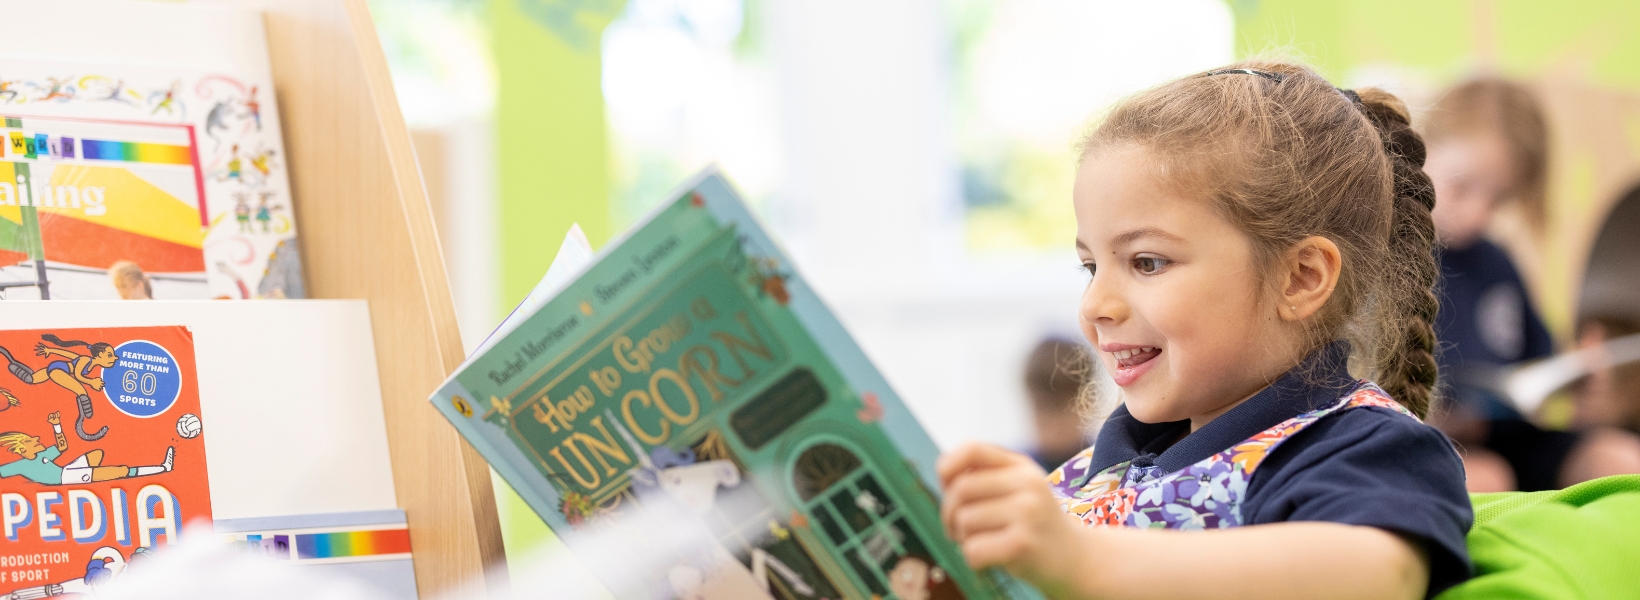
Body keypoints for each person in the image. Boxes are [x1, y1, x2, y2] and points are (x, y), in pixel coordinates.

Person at [937, 61, 1471, 599]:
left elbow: (1375, 574)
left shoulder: (1362, 447)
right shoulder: (1098, 467)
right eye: (1091, 267)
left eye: (1147, 262)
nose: (1095, 305)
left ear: (1300, 278)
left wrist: (1084, 562)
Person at [1423, 77, 1640, 491]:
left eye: (1498, 201)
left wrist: (1579, 379)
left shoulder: (1498, 264)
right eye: (1461, 187)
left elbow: (1539, 367)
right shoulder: (1388, 260)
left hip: (1517, 441)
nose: (1478, 216)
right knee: (1488, 478)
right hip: (1437, 446)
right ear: (1422, 148)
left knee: (1623, 458)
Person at [0, 412, 173, 485]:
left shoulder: (42, 455)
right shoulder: (20, 465)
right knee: (120, 471)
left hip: (66, 469)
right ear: (22, 449)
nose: (37, 438)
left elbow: (62, 447)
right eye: (31, 440)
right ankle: (162, 467)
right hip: (66, 477)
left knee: (96, 454)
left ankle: (92, 474)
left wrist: (57, 425)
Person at [1021, 337, 1092, 471]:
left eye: (1060, 410)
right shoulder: (1017, 468)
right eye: (1041, 409)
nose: (1051, 428)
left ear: (1088, 404)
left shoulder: (1107, 468)